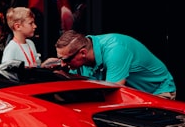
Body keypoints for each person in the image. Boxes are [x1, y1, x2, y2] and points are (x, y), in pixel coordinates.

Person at [47, 30, 176, 98]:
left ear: (83, 53)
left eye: (66, 60)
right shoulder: (81, 57)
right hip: (133, 96)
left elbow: (112, 93)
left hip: (157, 92)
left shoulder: (116, 49)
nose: (63, 64)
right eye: (60, 59)